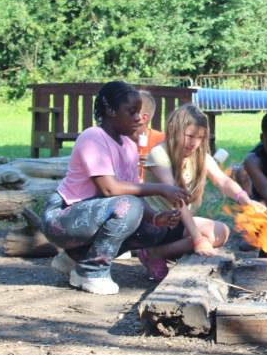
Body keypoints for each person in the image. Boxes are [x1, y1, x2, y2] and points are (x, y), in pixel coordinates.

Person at [41, 81, 190, 295]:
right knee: (126, 205)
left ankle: (77, 257)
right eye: (132, 112)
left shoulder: (128, 146)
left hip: (93, 214)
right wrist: (160, 188)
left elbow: (132, 194)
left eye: (139, 112)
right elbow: (109, 190)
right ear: (110, 111)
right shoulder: (93, 137)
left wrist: (156, 219)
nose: (139, 118)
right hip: (61, 216)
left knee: (154, 230)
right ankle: (92, 270)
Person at [141, 104, 264, 280]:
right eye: (189, 136)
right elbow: (177, 198)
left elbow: (222, 180)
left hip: (181, 223)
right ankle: (153, 252)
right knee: (207, 236)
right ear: (172, 129)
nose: (194, 143)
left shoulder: (199, 157)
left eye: (199, 138)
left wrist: (244, 199)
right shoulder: (159, 154)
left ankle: (159, 252)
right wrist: (198, 239)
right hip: (158, 222)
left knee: (222, 232)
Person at [130, 90, 166, 182]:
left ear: (143, 118)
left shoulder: (162, 140)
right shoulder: (119, 140)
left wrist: (156, 161)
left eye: (129, 111)